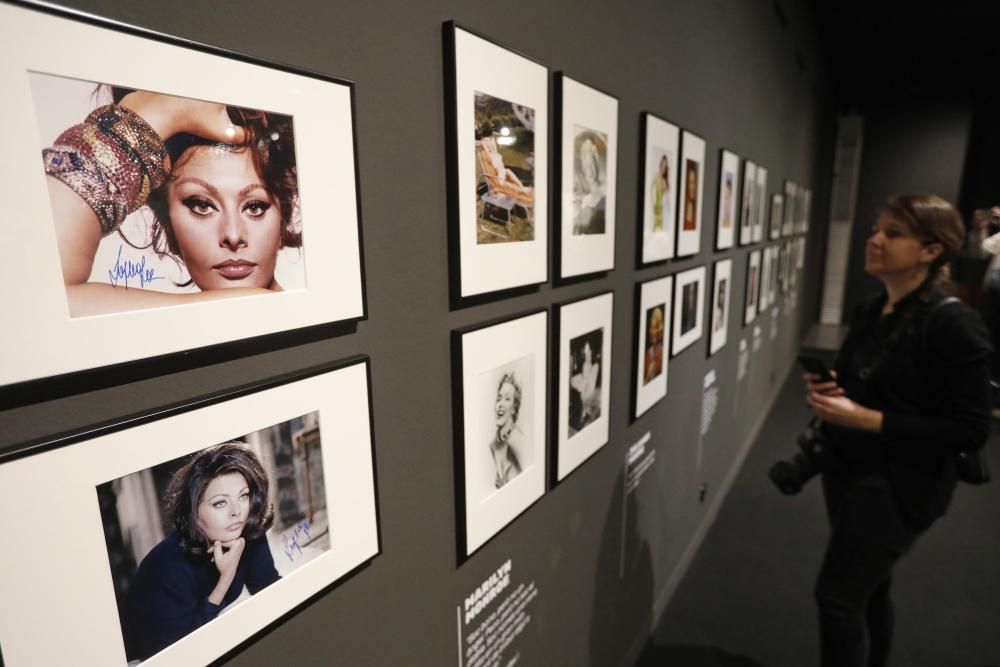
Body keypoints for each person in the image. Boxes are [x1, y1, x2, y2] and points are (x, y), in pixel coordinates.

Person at [802, 194, 991, 667]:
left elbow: (969, 431)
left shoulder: (955, 326)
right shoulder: (872, 311)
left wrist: (867, 419)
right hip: (848, 469)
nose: (875, 240)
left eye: (894, 233)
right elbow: (859, 382)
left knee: (837, 598)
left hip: (900, 485)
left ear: (931, 252)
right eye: (876, 229)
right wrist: (829, 391)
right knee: (868, 587)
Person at [42, 87, 301, 317]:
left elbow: (38, 297)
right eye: (201, 205)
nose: (233, 235)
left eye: (255, 207)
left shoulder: (275, 315)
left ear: (284, 217)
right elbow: (41, 297)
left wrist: (153, 114)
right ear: (168, 224)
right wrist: (168, 113)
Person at [127, 443, 281, 660]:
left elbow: (268, 587)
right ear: (194, 513)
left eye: (243, 496)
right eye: (220, 503)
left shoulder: (244, 527)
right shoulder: (164, 568)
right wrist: (225, 578)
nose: (236, 512)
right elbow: (180, 654)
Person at [490, 372, 525, 489]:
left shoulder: (517, 439)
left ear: (514, 408)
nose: (500, 404)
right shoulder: (493, 444)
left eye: (507, 399)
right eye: (499, 398)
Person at [570, 340, 601, 430]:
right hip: (583, 391)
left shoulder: (595, 366)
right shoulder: (584, 364)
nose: (585, 351)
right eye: (585, 349)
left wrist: (581, 385)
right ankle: (580, 414)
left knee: (583, 397)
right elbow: (583, 377)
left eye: (587, 349)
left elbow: (590, 386)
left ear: (591, 351)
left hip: (590, 393)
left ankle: (583, 415)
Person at [644, 306, 665, 384]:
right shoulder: (648, 354)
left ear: (660, 330)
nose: (652, 331)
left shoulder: (662, 353)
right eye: (651, 328)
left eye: (655, 328)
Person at [649, 154, 669, 232]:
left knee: (661, 230)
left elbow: (667, 198)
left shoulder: (664, 181)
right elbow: (650, 190)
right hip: (656, 209)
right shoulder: (656, 177)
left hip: (662, 210)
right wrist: (652, 205)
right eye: (662, 165)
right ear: (660, 165)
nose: (663, 167)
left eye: (665, 166)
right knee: (655, 230)